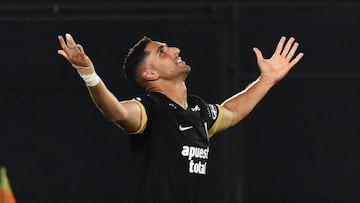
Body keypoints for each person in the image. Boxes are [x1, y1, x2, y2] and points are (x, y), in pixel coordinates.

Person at [57, 33, 303, 203]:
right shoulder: (152, 110)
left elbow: (233, 111)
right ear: (149, 73)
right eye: (162, 52)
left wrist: (267, 79)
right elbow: (117, 112)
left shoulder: (198, 111)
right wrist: (89, 74)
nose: (175, 50)